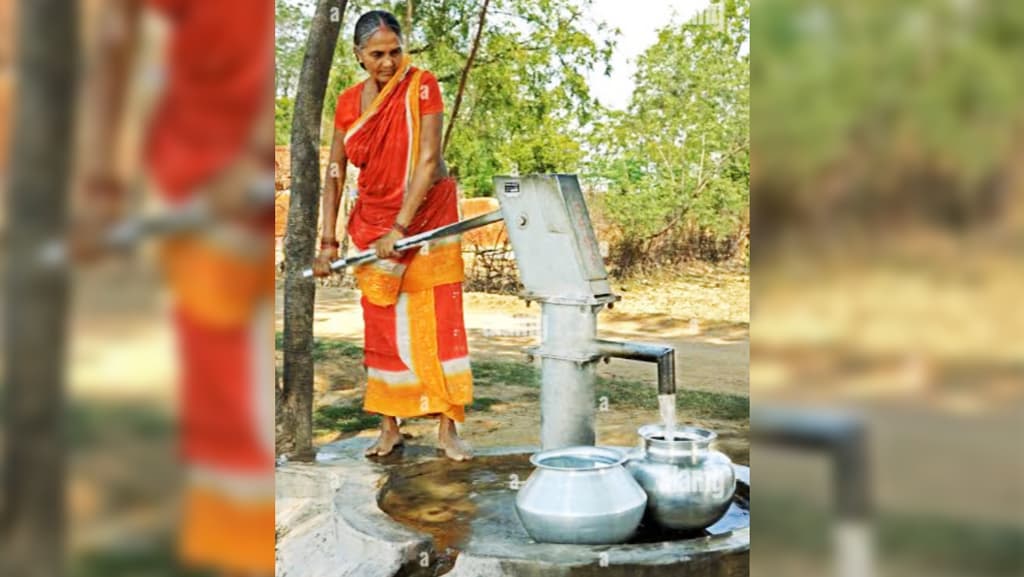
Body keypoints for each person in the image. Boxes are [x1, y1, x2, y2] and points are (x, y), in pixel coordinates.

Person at [81, 1, 275, 575]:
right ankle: (223, 540)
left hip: (239, 192)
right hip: (190, 190)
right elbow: (116, 44)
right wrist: (99, 184)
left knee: (240, 373)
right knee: (213, 368)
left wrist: (249, 158)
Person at [313, 10, 473, 461]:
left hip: (427, 219)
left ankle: (448, 428)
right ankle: (389, 427)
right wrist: (328, 242)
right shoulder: (347, 103)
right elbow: (335, 171)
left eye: (395, 51)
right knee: (381, 324)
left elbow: (428, 160)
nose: (388, 62)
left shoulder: (422, 85)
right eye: (377, 54)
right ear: (358, 56)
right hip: (371, 222)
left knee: (439, 319)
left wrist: (400, 227)